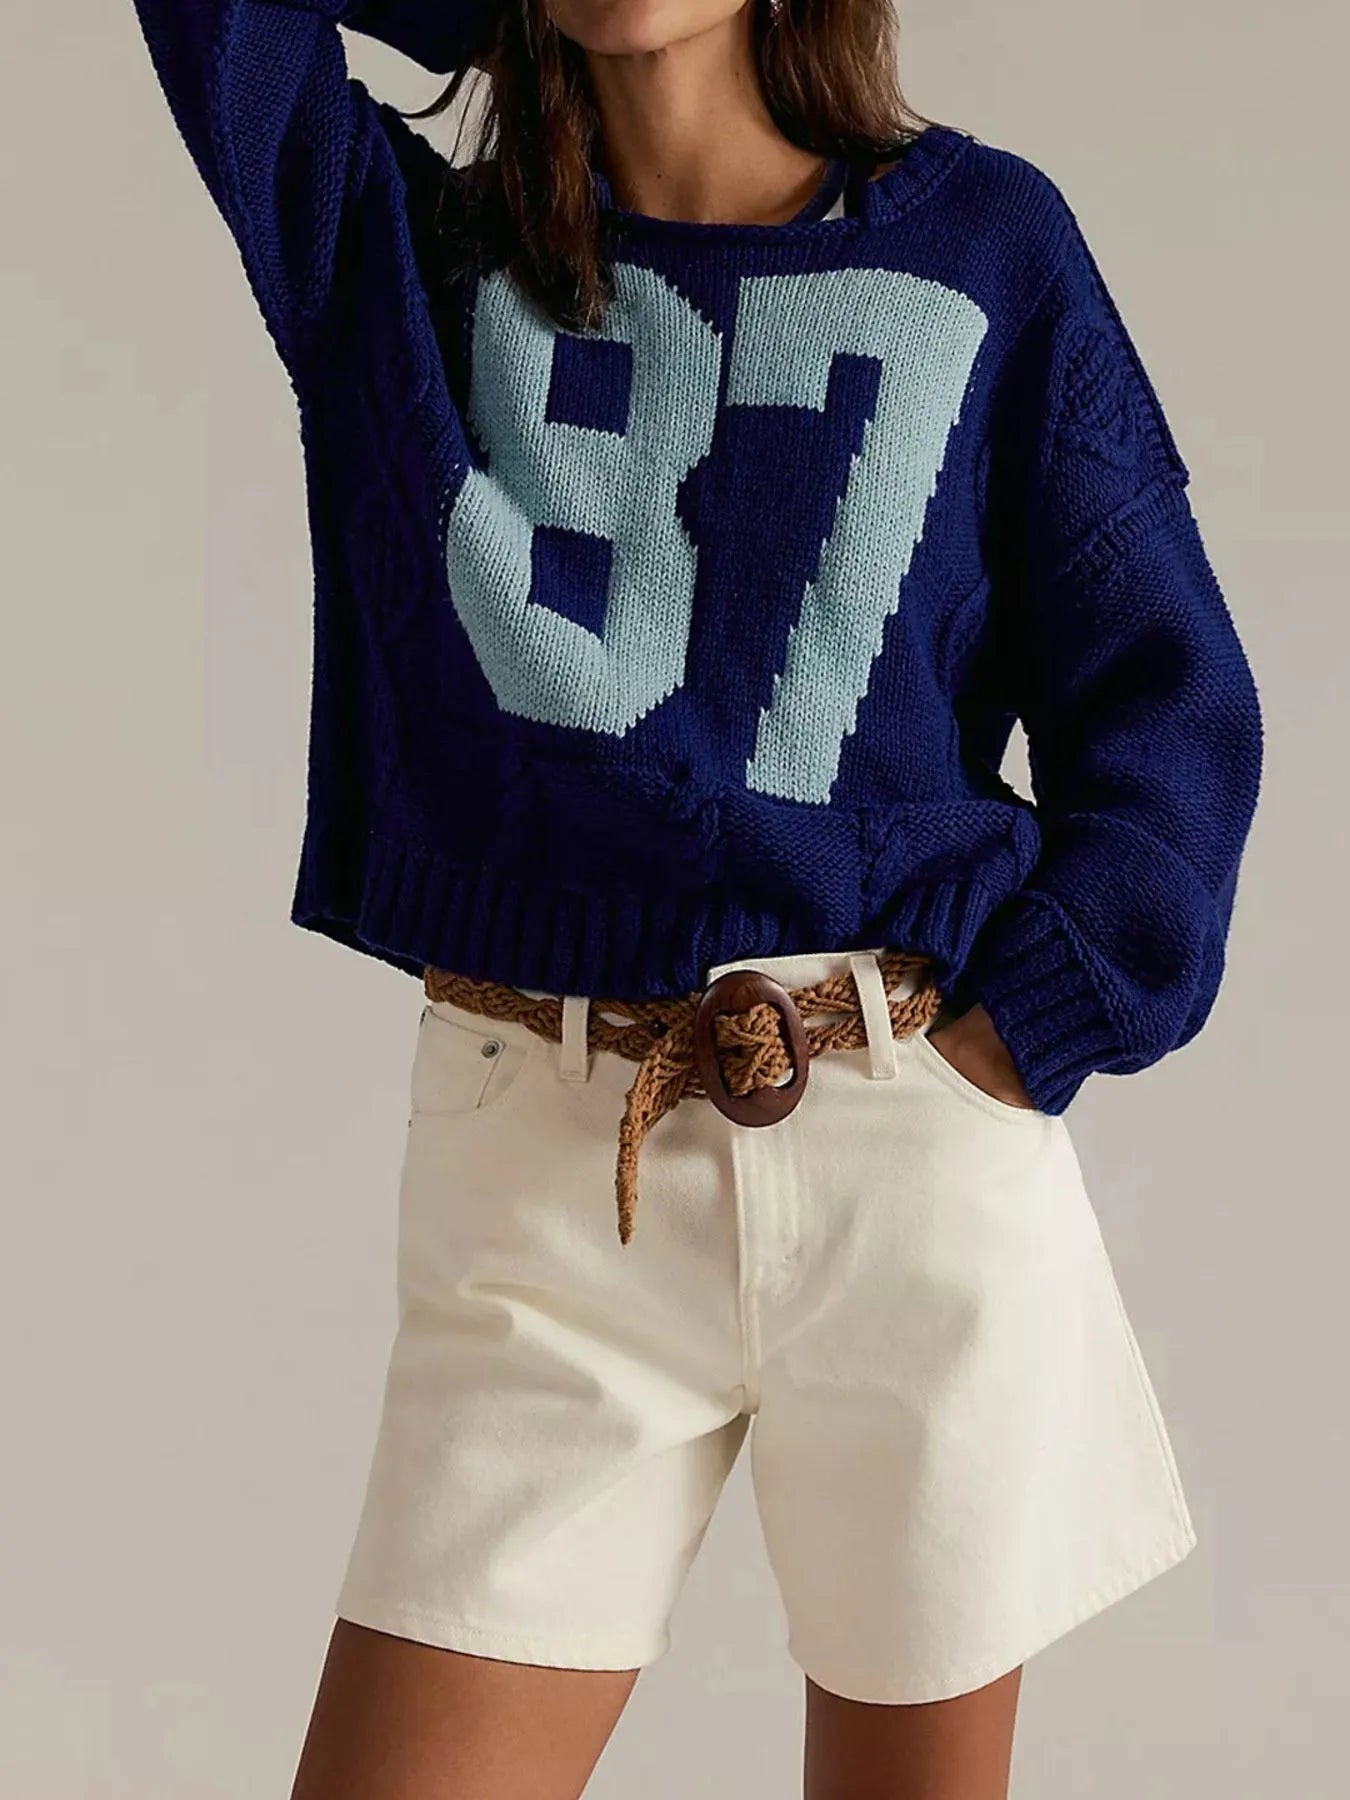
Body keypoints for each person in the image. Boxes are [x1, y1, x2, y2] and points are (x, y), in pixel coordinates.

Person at [127, 0, 1264, 1794]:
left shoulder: (984, 247)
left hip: (912, 1151)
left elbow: (1169, 702)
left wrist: (1023, 1032)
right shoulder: (406, 255)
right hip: (543, 1187)